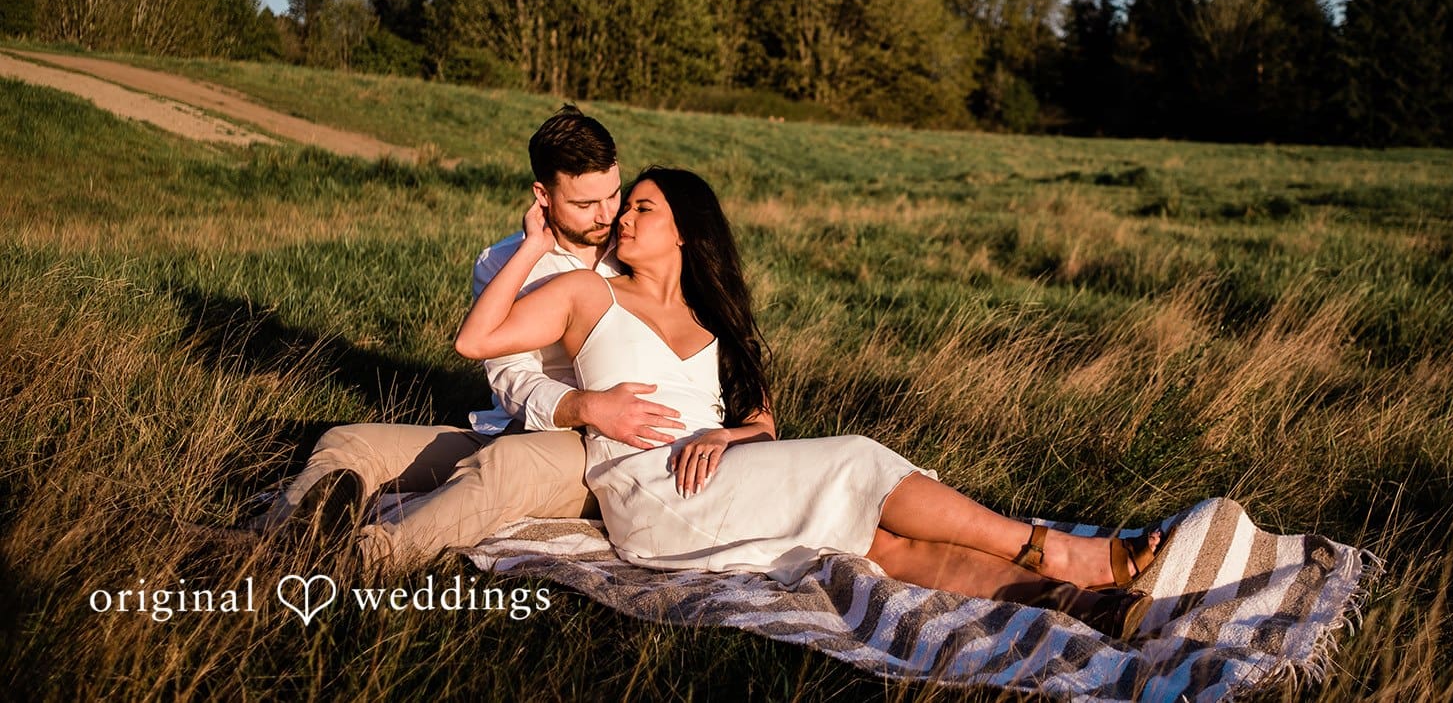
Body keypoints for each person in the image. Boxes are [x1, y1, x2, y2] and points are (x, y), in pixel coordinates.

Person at [455, 167, 1162, 637]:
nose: (624, 219)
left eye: (644, 207)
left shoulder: (714, 319)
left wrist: (730, 437)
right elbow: (476, 339)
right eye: (625, 205)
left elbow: (761, 422)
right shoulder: (586, 290)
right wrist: (536, 241)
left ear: (684, 230)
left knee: (884, 543)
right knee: (856, 461)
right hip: (652, 491)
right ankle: (1056, 548)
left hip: (714, 474)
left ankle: (1076, 603)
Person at [257, 106, 682, 567]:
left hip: (596, 449)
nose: (606, 216)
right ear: (543, 195)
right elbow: (510, 378)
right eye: (583, 204)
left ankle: (365, 561)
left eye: (613, 194)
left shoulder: (637, 248)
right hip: (517, 429)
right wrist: (532, 249)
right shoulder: (503, 263)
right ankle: (278, 545)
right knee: (346, 441)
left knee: (501, 469)